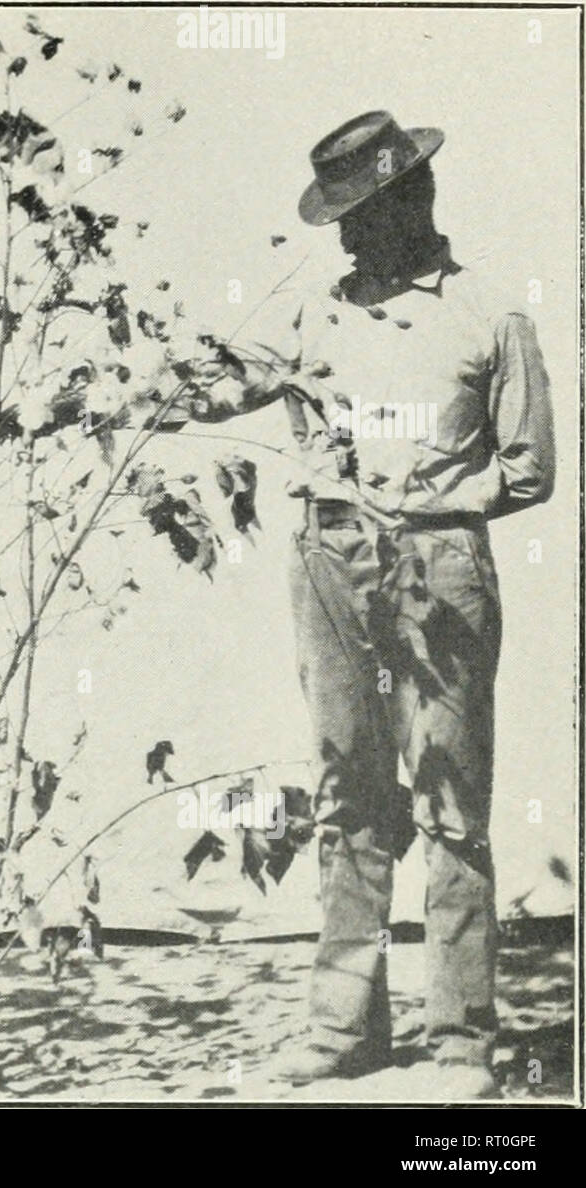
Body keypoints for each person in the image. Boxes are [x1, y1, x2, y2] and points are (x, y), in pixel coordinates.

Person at [169, 111, 555, 1098]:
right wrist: (124, 381)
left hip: (440, 566)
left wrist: (428, 506)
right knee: (348, 794)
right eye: (337, 215)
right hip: (330, 562)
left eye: (360, 213)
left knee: (451, 801)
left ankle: (460, 1038)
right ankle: (344, 1030)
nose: (343, 234)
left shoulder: (491, 316)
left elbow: (530, 469)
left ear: (413, 200)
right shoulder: (311, 313)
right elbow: (212, 393)